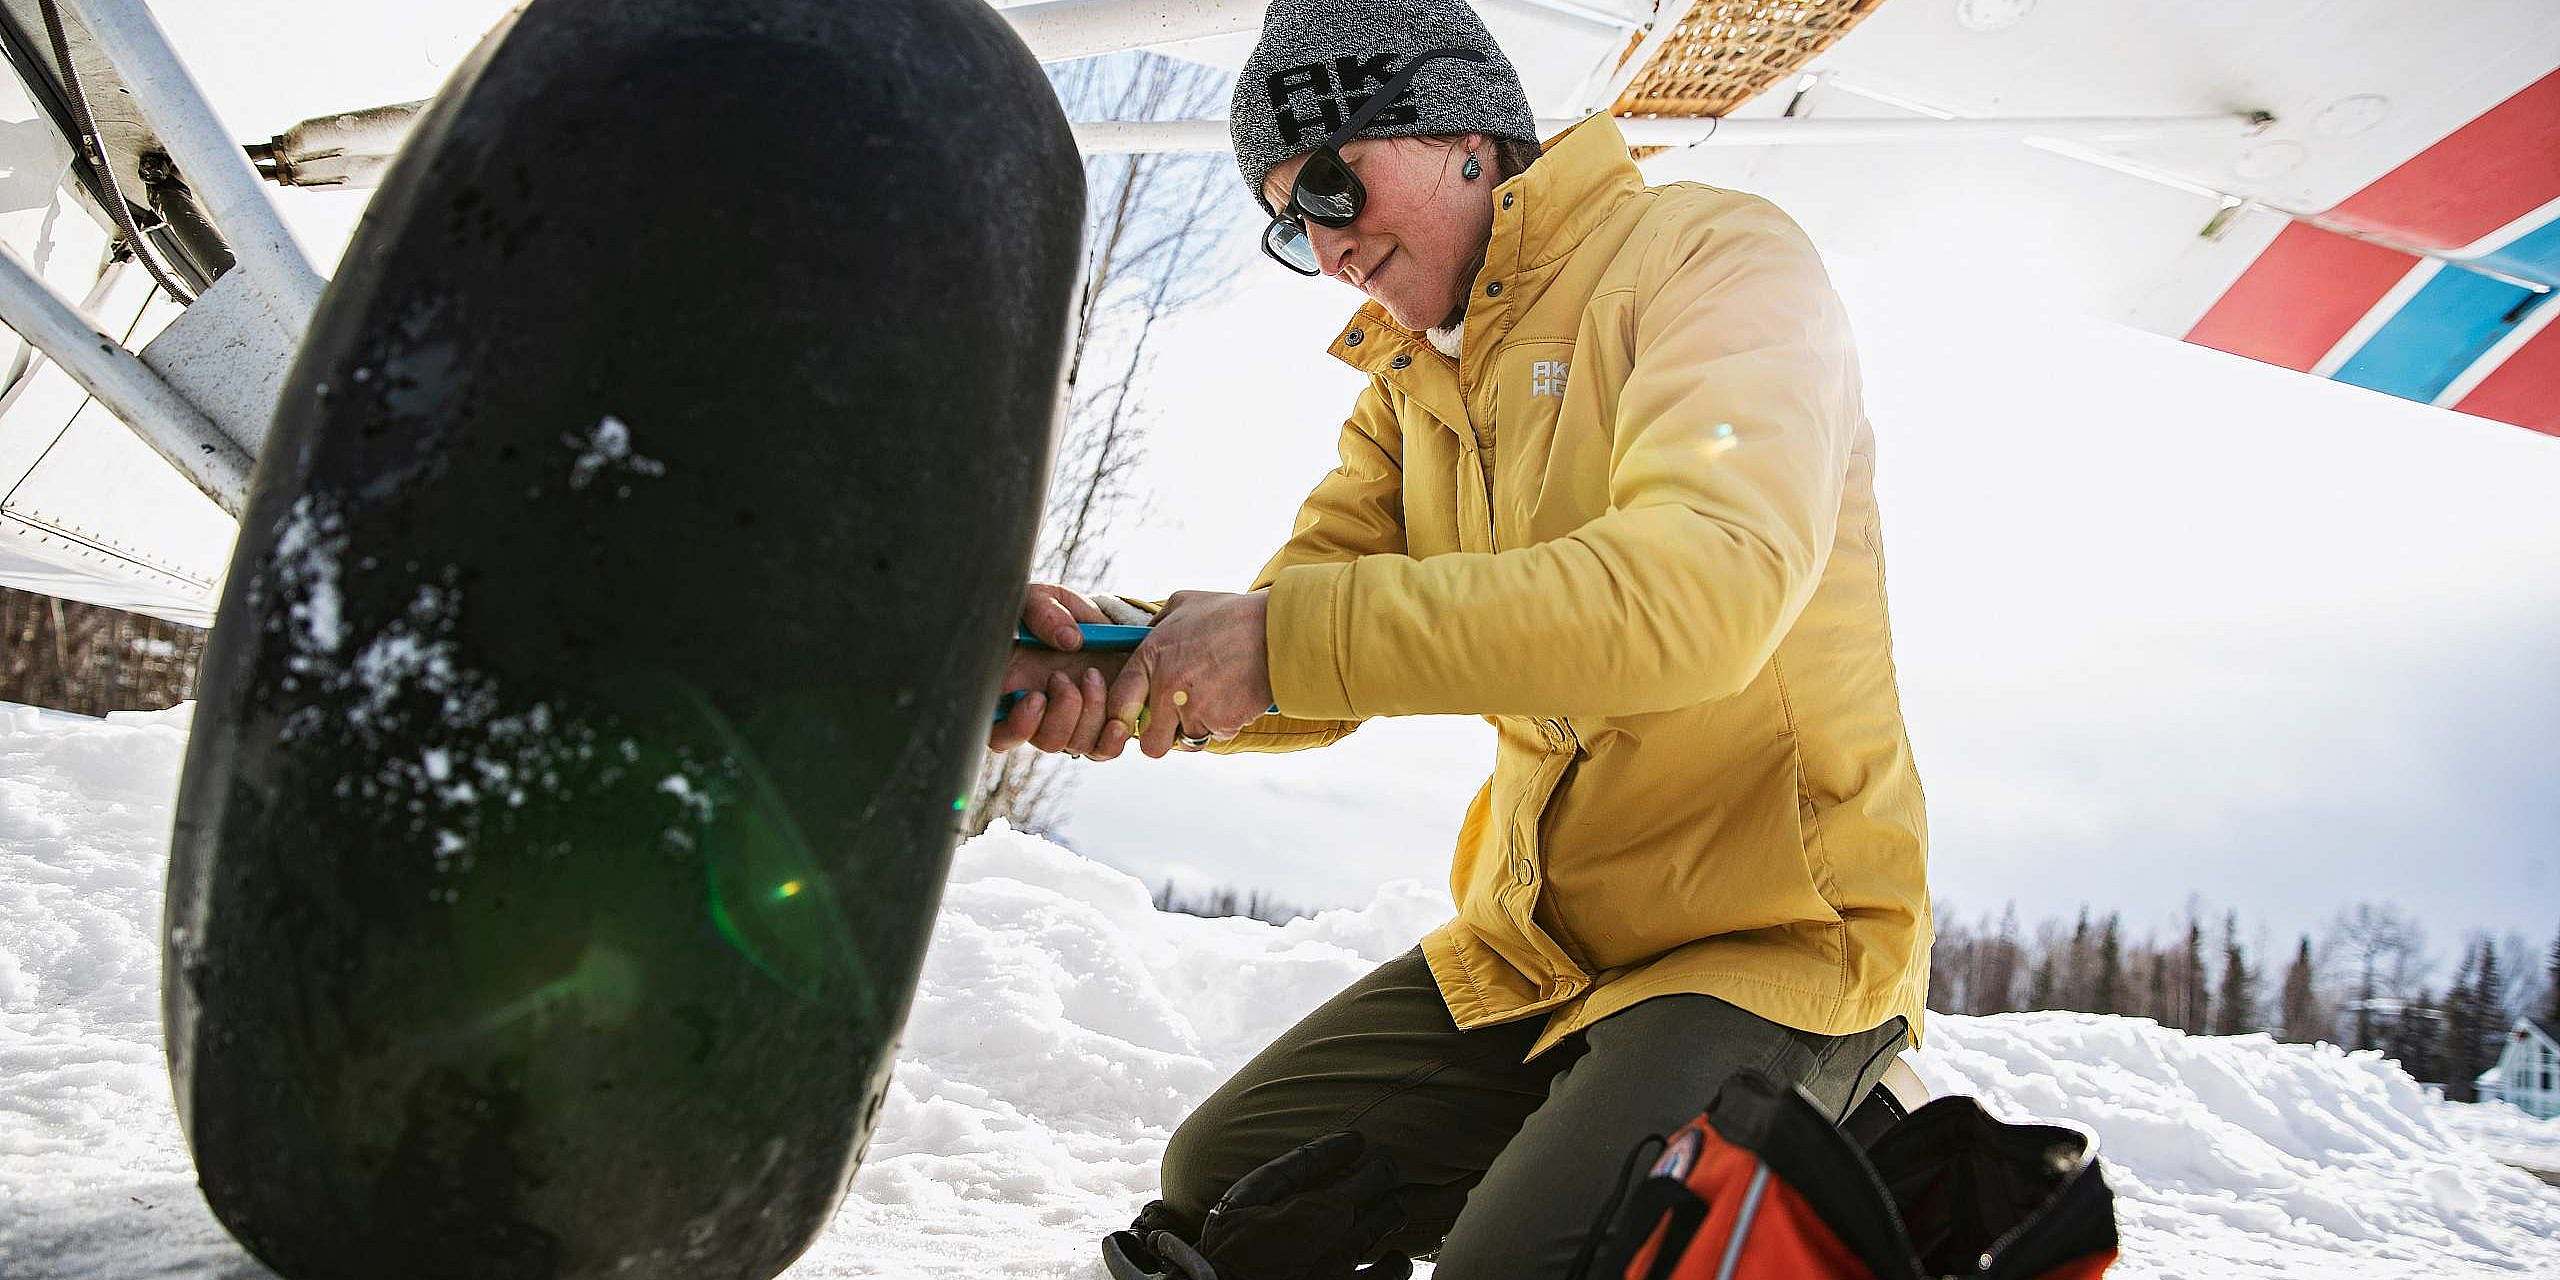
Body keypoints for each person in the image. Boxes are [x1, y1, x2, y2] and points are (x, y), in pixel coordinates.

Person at [988, 1, 1930, 1275]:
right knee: (1230, 1185)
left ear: (1463, 132)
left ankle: (1837, 1154)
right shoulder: (1412, 389)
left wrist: (1275, 642)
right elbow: (1298, 643)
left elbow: (1704, 595)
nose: (1325, 244)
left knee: (1519, 1264)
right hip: (1541, 946)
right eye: (1286, 219)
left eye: (1331, 182)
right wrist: (1096, 662)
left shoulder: (1709, 255)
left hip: (1767, 939)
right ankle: (1618, 1138)